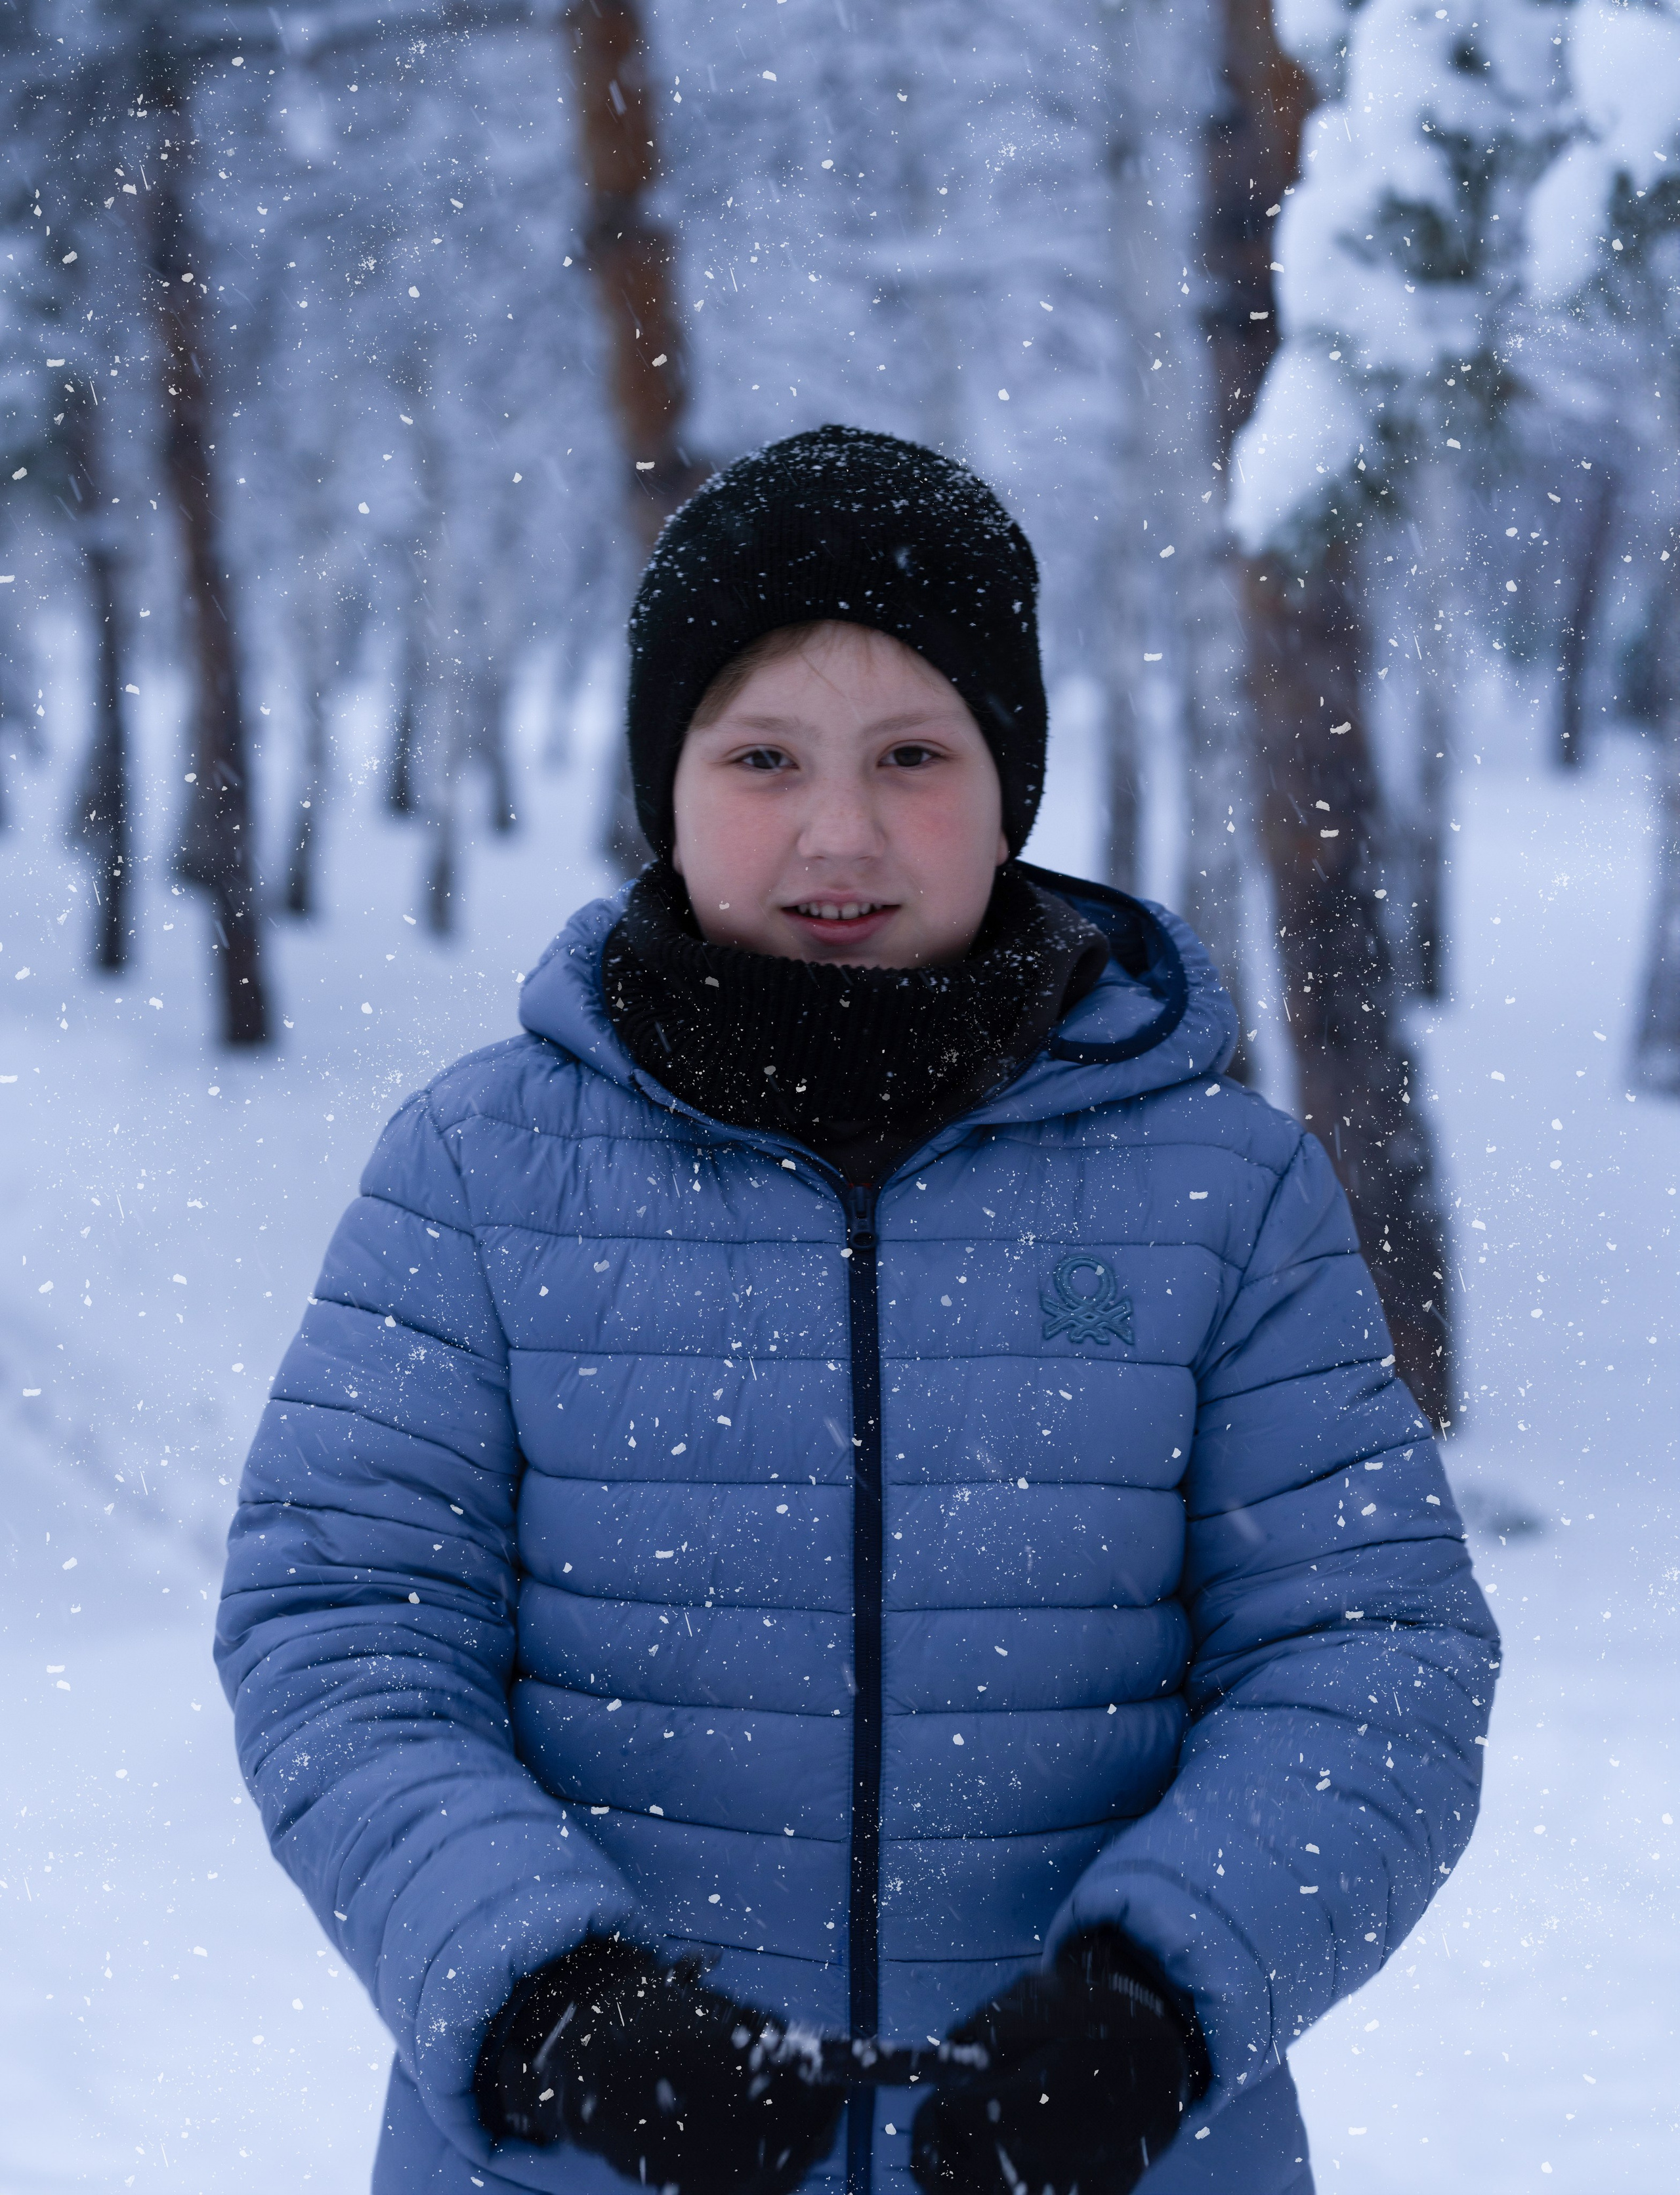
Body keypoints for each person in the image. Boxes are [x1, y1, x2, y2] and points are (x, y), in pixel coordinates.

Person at [216, 426, 1498, 2195]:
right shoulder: (480, 1169)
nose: (841, 831)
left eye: (914, 753)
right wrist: (550, 1996)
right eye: (762, 756)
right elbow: (341, 1634)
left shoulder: (1224, 1190)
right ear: (665, 783)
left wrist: (1162, 1992)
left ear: (1007, 783)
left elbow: (1372, 1655)